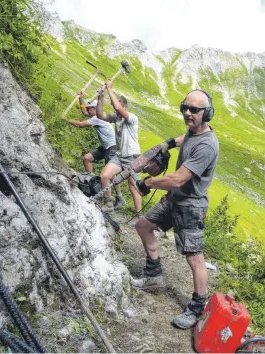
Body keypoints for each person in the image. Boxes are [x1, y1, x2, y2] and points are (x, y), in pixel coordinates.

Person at [133, 89, 219, 329]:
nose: (188, 113)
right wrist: (170, 143)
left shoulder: (208, 146)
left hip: (190, 206)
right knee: (143, 226)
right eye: (185, 108)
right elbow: (186, 137)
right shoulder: (194, 132)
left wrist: (147, 182)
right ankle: (154, 275)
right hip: (174, 199)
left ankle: (197, 306)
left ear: (207, 113)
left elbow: (177, 179)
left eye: (195, 110)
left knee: (194, 258)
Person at [68, 93, 125, 209]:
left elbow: (80, 124)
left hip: (112, 147)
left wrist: (67, 119)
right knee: (87, 158)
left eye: (89, 109)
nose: (87, 112)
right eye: (87, 109)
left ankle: (117, 199)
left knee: (110, 175)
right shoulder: (95, 116)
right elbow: (84, 112)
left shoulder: (97, 118)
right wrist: (80, 98)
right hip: (105, 147)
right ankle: (92, 182)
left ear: (94, 109)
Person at [96, 80, 142, 215]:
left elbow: (117, 108)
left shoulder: (132, 118)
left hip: (132, 157)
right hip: (120, 155)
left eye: (119, 106)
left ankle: (140, 216)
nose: (116, 108)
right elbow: (100, 115)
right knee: (105, 175)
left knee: (133, 186)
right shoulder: (116, 118)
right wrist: (100, 97)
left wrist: (110, 88)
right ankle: (108, 203)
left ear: (124, 107)